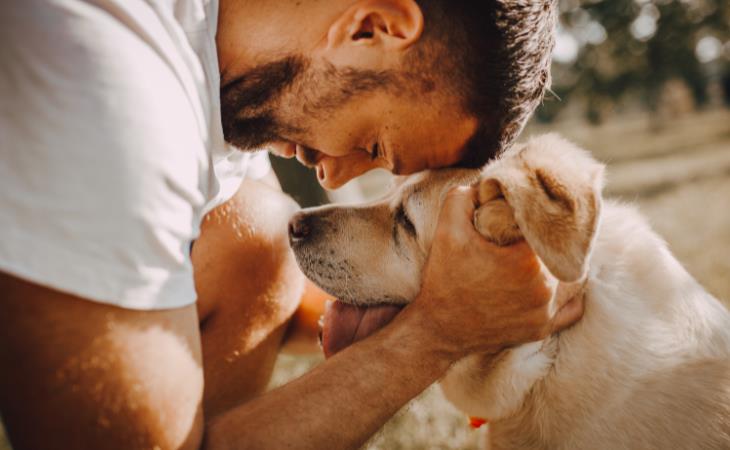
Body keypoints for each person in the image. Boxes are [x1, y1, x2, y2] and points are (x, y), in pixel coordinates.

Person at [0, 1, 582, 449]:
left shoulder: (218, 70)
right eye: (372, 143)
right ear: (372, 28)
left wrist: (480, 301)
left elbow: (277, 296)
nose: (332, 175)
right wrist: (437, 334)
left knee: (257, 237)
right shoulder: (116, 87)